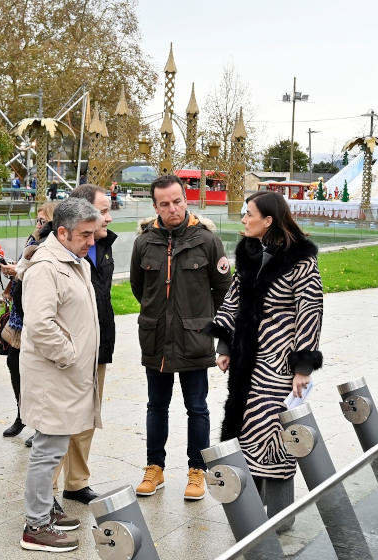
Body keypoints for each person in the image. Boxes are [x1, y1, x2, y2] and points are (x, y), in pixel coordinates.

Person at [207, 191, 323, 527]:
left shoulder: (301, 259)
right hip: (247, 358)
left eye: (249, 214)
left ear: (268, 220)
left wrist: (302, 367)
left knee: (272, 431)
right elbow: (233, 299)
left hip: (278, 360)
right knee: (243, 428)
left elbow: (310, 310)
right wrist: (225, 346)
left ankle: (280, 517)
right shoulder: (248, 252)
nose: (243, 219)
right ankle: (251, 513)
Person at [129, 175, 232, 501]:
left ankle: (196, 470)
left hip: (194, 339)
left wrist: (214, 331)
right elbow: (139, 289)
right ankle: (154, 468)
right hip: (156, 339)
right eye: (164, 204)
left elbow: (225, 294)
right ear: (155, 206)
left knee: (197, 407)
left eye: (177, 201)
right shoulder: (144, 242)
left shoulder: (207, 240)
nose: (172, 208)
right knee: (156, 406)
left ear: (186, 200)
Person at [18, 198, 102, 552]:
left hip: (66, 377)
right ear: (63, 232)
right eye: (85, 234)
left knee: (52, 448)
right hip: (55, 376)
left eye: (94, 234)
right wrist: (70, 356)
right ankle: (35, 526)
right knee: (47, 451)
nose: (92, 241)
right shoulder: (46, 267)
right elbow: (40, 324)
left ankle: (44, 514)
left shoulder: (72, 260)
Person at [49, 184, 115, 505]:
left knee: (88, 417)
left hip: (97, 348)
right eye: (103, 211)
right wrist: (67, 351)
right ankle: (46, 493)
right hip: (68, 354)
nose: (108, 218)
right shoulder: (53, 252)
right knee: (60, 423)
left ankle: (77, 483)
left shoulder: (103, 245)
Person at [0, 202, 59, 442]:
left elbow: (35, 271)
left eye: (42, 221)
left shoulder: (51, 244)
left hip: (36, 317)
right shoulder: (33, 240)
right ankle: (21, 414)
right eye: (37, 219)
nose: (38, 224)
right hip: (18, 317)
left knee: (37, 374)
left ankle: (38, 424)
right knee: (14, 366)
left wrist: (17, 270)